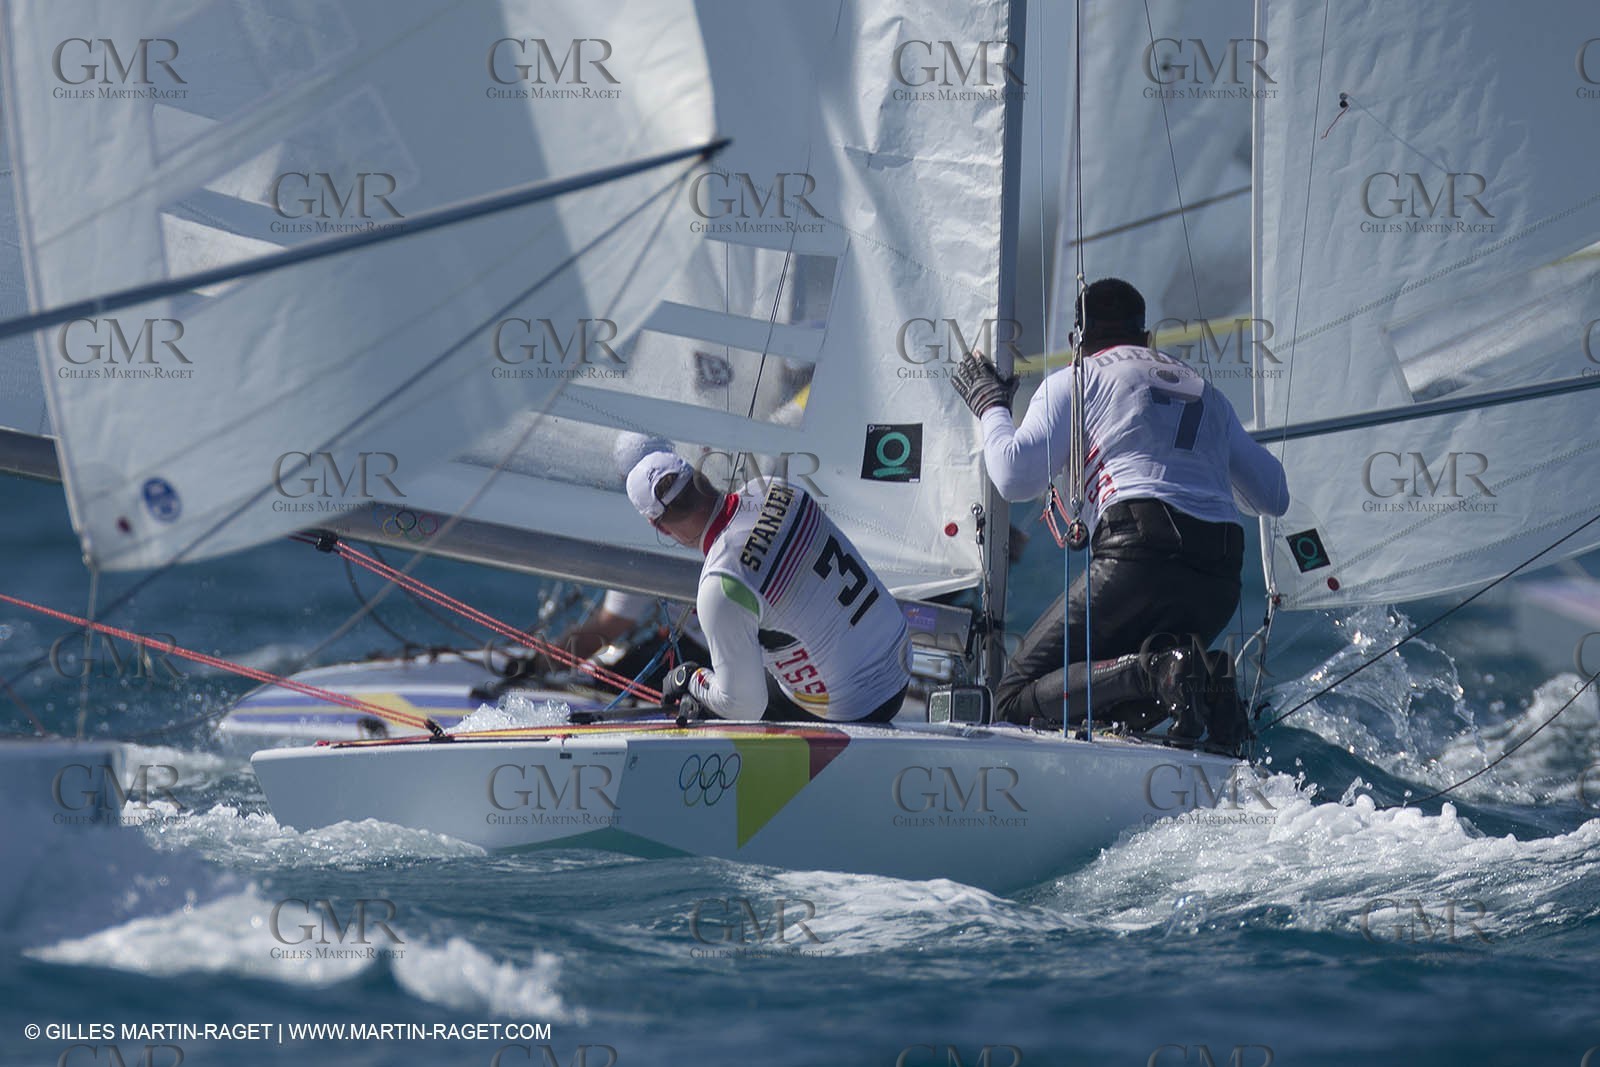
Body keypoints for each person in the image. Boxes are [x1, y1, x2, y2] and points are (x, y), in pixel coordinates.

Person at [952, 277, 1289, 750]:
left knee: (1013, 698)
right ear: (1147, 339)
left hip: (1139, 555)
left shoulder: (1076, 377)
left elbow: (1013, 476)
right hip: (1221, 572)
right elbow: (1275, 495)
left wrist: (991, 406)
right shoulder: (1205, 391)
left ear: (1076, 342)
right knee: (1109, 689)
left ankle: (1164, 671)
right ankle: (1207, 685)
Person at [625, 450, 910, 721]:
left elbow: (744, 707)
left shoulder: (721, 584)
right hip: (900, 655)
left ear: (659, 527)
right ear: (699, 476)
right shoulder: (775, 487)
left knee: (712, 703)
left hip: (857, 706)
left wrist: (690, 678)